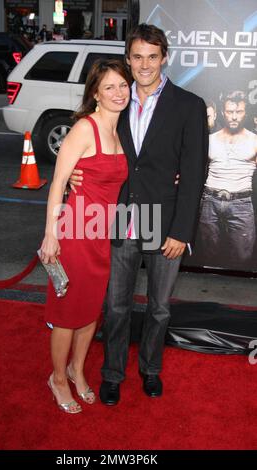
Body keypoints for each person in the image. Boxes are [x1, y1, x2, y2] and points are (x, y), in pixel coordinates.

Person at [70, 23, 209, 405]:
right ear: (127, 60)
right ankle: (112, 373)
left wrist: (182, 231)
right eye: (137, 57)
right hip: (121, 217)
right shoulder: (116, 99)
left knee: (159, 308)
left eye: (152, 56)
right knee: (115, 306)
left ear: (164, 57)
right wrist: (75, 174)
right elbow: (90, 143)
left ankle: (151, 369)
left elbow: (195, 173)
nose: (144, 65)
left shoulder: (188, 105)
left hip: (164, 221)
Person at [40, 59, 130, 414]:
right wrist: (51, 234)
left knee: (91, 310)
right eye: (109, 87)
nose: (118, 93)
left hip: (101, 235)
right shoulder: (84, 128)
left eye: (122, 85)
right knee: (67, 312)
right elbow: (58, 183)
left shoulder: (122, 131)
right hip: (75, 233)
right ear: (95, 92)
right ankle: (57, 378)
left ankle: (77, 371)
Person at [199, 90, 257, 268]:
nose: (234, 117)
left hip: (241, 202)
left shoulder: (254, 141)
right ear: (223, 113)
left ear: (245, 113)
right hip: (210, 199)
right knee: (207, 254)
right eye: (230, 112)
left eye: (238, 112)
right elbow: (195, 169)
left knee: (243, 256)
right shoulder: (210, 139)